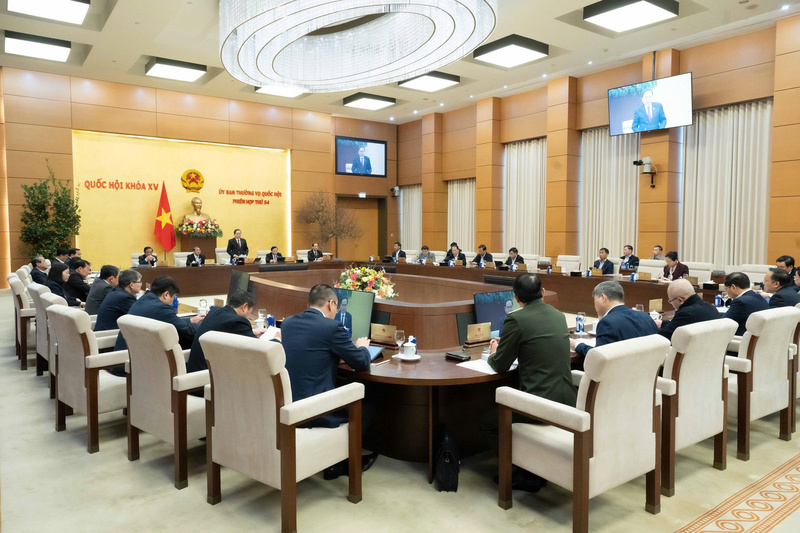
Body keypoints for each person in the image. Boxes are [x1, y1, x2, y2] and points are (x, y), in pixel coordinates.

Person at [479, 273, 576, 492]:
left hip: (541, 403)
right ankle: (533, 467)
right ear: (543, 292)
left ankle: (524, 473)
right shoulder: (559, 316)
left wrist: (494, 352)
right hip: (568, 398)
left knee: (487, 422)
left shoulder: (516, 319)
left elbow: (500, 364)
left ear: (516, 298)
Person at [280, 284, 377, 479]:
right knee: (368, 407)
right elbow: (361, 362)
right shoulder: (332, 327)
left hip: (289, 402)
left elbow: (309, 352)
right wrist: (362, 347)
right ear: (331, 304)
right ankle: (339, 464)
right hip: (314, 410)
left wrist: (332, 355)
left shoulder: (288, 323)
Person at [572, 281, 658, 364]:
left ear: (603, 298)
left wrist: (577, 345)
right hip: (647, 371)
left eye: (594, 299)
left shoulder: (607, 322)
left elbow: (599, 358)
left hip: (620, 372)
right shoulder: (646, 317)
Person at [113, 276, 204, 352]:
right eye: (174, 297)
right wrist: (206, 325)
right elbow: (189, 330)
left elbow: (172, 321)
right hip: (136, 358)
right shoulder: (161, 308)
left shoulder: (145, 298)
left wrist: (191, 320)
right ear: (166, 294)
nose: (173, 302)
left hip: (127, 354)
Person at [186, 290, 266, 373]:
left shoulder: (214, 311)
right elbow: (258, 347)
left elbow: (226, 332)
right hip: (208, 374)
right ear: (244, 306)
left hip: (195, 369)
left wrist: (251, 332)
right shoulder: (238, 321)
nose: (249, 317)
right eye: (250, 313)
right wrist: (274, 339)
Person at [655, 279, 721, 341]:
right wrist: (662, 323)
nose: (671, 304)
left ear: (680, 300)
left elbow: (662, 337)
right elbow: (681, 325)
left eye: (670, 301)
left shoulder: (686, 313)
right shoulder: (712, 308)